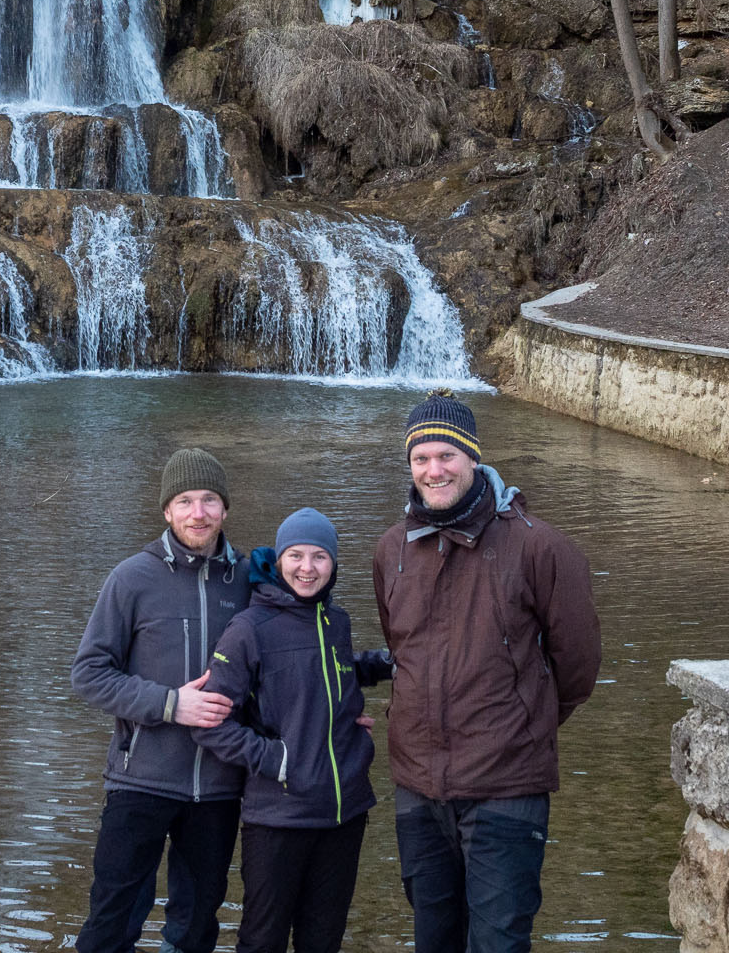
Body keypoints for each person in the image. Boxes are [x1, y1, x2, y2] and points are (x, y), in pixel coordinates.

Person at [372, 390, 601, 953]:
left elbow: (578, 666)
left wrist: (523, 722)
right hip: (418, 787)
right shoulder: (391, 549)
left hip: (506, 788)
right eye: (421, 458)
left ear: (473, 457)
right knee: (434, 939)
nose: (435, 470)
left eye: (447, 455)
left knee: (498, 943)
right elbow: (401, 651)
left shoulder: (538, 547)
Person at [70, 448, 251, 953]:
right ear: (167, 511)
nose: (199, 512)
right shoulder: (132, 578)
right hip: (139, 779)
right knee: (110, 925)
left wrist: (337, 715)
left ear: (225, 509)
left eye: (210, 500)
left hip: (218, 787)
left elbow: (285, 664)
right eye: (186, 500)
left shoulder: (250, 583)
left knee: (195, 929)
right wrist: (172, 704)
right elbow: (88, 674)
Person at [193, 508, 391, 953]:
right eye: (296, 556)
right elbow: (211, 724)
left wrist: (380, 667)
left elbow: (322, 675)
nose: (307, 568)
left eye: (320, 557)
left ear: (334, 564)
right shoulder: (249, 628)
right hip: (278, 816)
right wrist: (277, 760)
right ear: (278, 561)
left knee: (323, 941)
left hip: (344, 812)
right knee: (263, 940)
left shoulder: (334, 621)